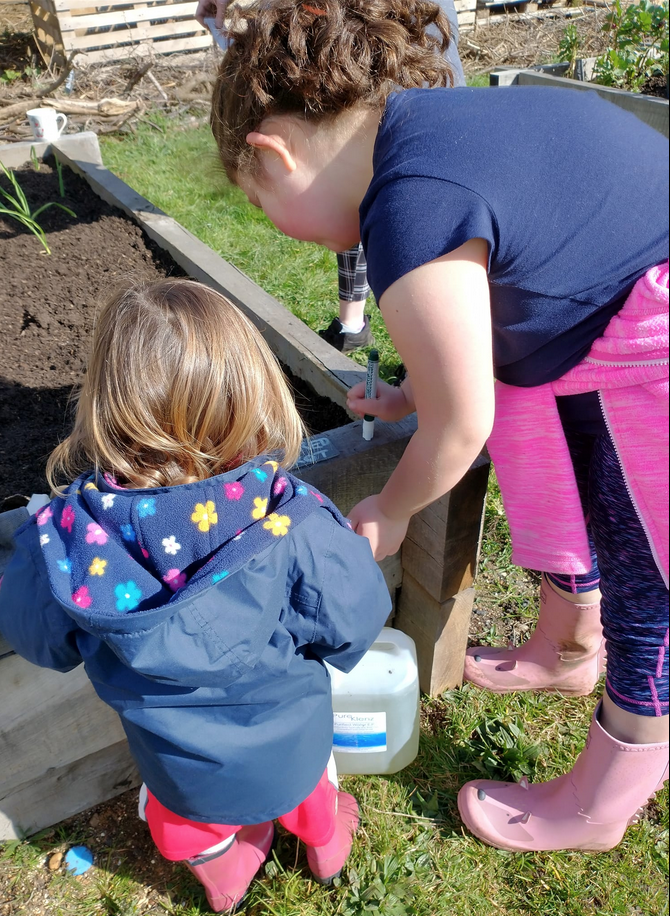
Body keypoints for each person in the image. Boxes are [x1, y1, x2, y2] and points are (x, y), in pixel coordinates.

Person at [208, 0, 669, 854]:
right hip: (602, 307)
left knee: (652, 583)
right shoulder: (431, 132)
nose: (274, 226)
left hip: (650, 347)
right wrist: (415, 398)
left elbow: (461, 427)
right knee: (568, 472)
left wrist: (388, 506)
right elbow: (489, 302)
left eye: (256, 201)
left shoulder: (407, 208)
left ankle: (604, 797)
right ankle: (567, 646)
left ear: (271, 154)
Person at [0, 278, 392, 913]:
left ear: (103, 403)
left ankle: (226, 874)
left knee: (184, 830)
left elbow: (34, 638)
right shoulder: (292, 522)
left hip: (180, 773)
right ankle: (325, 844)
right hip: (293, 749)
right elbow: (358, 619)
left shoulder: (69, 541)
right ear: (256, 392)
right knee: (315, 791)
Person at [195, 0, 467, 353]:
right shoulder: (405, 169)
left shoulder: (433, 217)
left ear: (277, 152)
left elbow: (462, 402)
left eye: (259, 202)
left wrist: (435, 377)